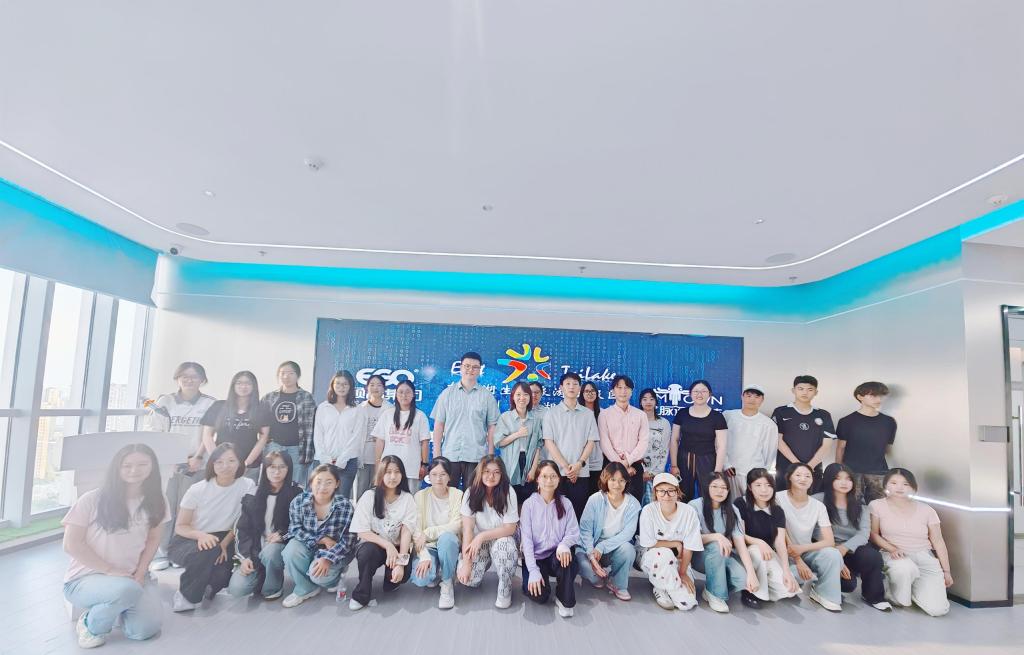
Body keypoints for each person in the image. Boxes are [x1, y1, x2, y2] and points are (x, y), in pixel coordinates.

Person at [62, 444, 167, 649]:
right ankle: (90, 625)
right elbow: (71, 544)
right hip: (84, 579)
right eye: (127, 465)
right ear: (116, 468)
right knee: (127, 590)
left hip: (131, 577)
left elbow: (154, 539)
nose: (134, 470)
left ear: (153, 466)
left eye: (142, 464)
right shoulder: (92, 499)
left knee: (144, 630)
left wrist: (141, 572)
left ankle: (118, 605)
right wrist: (110, 570)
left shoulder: (157, 500)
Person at [143, 361, 216, 572]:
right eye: (185, 376)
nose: (189, 380)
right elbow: (155, 431)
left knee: (187, 510)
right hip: (168, 465)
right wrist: (169, 459)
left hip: (196, 463)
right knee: (164, 507)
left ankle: (178, 552)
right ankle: (161, 552)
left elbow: (209, 434)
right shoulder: (164, 401)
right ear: (177, 378)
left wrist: (198, 457)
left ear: (202, 380)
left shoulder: (209, 403)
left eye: (194, 376)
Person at [169, 443, 256, 611]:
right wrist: (201, 536)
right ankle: (186, 595)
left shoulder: (247, 485)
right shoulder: (197, 489)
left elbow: (241, 521)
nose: (225, 466)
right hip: (190, 538)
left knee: (221, 577)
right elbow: (181, 526)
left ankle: (206, 585)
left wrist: (224, 544)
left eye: (231, 461)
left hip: (225, 537)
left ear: (240, 462)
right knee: (209, 551)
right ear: (212, 464)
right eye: (219, 462)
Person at [869, 468, 952, 617]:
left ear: (913, 487)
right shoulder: (877, 505)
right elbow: (873, 534)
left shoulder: (927, 510)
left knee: (938, 610)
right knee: (905, 570)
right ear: (886, 485)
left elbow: (938, 541)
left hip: (924, 557)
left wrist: (947, 571)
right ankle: (893, 592)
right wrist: (892, 548)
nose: (899, 487)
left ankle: (911, 588)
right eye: (894, 483)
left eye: (905, 484)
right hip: (894, 555)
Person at [227, 450, 302, 600]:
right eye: (272, 467)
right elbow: (242, 529)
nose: (277, 472)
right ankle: (261, 573)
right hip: (256, 550)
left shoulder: (297, 492)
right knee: (237, 589)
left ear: (289, 469)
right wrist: (245, 557)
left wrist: (282, 535)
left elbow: (302, 524)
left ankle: (273, 587)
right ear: (265, 469)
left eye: (282, 467)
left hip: (280, 548)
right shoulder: (253, 494)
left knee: (271, 552)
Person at [814, 463, 890, 611]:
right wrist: (835, 550)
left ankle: (874, 597)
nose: (844, 483)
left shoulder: (860, 506)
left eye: (848, 479)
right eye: (838, 478)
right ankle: (819, 585)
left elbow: (863, 534)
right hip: (826, 549)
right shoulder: (817, 500)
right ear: (829, 480)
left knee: (872, 556)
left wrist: (844, 548)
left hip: (849, 549)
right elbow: (815, 530)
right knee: (848, 585)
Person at [280, 464, 356, 607]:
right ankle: (306, 588)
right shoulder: (299, 501)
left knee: (319, 577)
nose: (322, 487)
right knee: (290, 551)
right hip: (310, 544)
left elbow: (349, 540)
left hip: (336, 550)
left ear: (337, 484)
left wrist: (328, 558)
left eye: (329, 482)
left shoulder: (345, 505)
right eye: (318, 482)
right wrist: (320, 539)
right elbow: (294, 529)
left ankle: (335, 577)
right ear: (311, 482)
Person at [688, 473, 760, 612]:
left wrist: (751, 573)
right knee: (717, 545)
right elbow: (690, 538)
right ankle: (716, 595)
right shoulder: (694, 506)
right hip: (699, 557)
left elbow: (740, 544)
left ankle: (710, 588)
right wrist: (717, 537)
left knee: (743, 579)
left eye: (724, 488)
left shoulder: (732, 510)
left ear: (728, 490)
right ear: (707, 487)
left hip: (723, 555)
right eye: (715, 486)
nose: (719, 491)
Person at [776, 463, 843, 611]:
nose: (803, 479)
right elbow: (780, 532)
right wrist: (798, 560)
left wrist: (802, 549)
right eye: (798, 475)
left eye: (807, 476)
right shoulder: (777, 498)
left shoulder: (818, 506)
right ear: (789, 477)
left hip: (806, 552)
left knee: (833, 554)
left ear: (812, 480)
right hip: (782, 553)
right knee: (793, 580)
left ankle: (823, 594)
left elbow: (829, 541)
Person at [456, 455, 520, 608]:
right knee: (469, 580)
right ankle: (478, 561)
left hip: (502, 538)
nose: (491, 476)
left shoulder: (509, 492)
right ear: (480, 472)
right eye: (486, 471)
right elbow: (468, 530)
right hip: (478, 543)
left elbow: (510, 528)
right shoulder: (470, 493)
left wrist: (482, 536)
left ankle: (505, 588)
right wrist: (467, 564)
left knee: (504, 549)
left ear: (502, 474)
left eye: (496, 472)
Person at [519, 460, 580, 618]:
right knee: (539, 596)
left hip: (556, 556)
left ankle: (564, 599)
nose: (549, 480)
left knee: (568, 558)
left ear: (559, 479)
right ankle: (532, 580)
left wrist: (564, 545)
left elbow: (573, 531)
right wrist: (533, 570)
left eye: (553, 476)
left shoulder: (566, 503)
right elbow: (526, 540)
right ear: (537, 479)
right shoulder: (529, 505)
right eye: (544, 476)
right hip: (536, 558)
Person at [431, 352, 500, 488]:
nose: (470, 370)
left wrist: (490, 455)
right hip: (450, 455)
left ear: (479, 370)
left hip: (476, 456)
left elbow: (492, 427)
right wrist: (437, 454)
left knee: (473, 495)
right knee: (448, 495)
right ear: (461, 368)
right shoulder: (447, 394)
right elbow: (439, 425)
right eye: (467, 366)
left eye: (475, 367)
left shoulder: (487, 396)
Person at [636, 472, 703, 611]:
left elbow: (689, 546)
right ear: (655, 493)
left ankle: (669, 584)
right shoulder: (648, 510)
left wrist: (683, 572)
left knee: (687, 602)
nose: (666, 495)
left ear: (677, 492)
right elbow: (649, 544)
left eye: (671, 491)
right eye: (661, 491)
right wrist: (675, 543)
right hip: (652, 555)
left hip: (679, 559)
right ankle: (659, 588)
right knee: (665, 554)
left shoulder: (689, 512)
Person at [733, 468, 801, 604]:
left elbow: (780, 543)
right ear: (750, 487)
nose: (764, 490)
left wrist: (786, 570)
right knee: (758, 553)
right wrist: (760, 542)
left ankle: (767, 581)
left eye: (768, 485)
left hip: (768, 553)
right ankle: (753, 592)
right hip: (744, 551)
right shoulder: (740, 503)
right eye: (758, 485)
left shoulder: (777, 510)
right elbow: (739, 535)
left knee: (789, 589)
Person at [576, 462, 640, 601]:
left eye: (621, 480)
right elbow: (585, 530)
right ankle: (596, 575)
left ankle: (617, 583)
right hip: (592, 548)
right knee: (585, 566)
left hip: (614, 547)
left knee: (628, 550)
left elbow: (628, 534)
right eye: (613, 480)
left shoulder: (633, 504)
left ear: (626, 482)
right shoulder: (595, 499)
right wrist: (592, 556)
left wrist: (602, 546)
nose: (617, 484)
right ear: (606, 480)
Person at [543, 372, 600, 518]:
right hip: (556, 473)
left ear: (580, 388)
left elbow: (591, 442)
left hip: (581, 473)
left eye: (575, 384)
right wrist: (566, 467)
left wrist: (579, 465)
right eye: (568, 384)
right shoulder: (551, 413)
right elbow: (549, 442)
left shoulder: (588, 414)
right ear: (561, 388)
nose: (571, 387)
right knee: (555, 514)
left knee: (578, 512)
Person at [197, 371, 272, 481]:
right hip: (221, 466)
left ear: (254, 386)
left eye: (248, 383)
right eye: (239, 383)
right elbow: (207, 436)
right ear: (233, 386)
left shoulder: (262, 408)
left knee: (246, 491)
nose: (243, 386)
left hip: (249, 466)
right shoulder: (219, 406)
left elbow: (263, 438)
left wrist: (246, 463)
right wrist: (218, 460)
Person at [411, 458, 464, 609]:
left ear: (449, 477)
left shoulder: (457, 494)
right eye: (434, 474)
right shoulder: (420, 496)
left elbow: (457, 525)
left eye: (443, 474)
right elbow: (416, 530)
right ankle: (435, 570)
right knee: (422, 578)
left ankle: (447, 582)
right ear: (429, 476)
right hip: (428, 546)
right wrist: (424, 556)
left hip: (448, 544)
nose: (438, 479)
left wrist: (428, 532)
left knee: (447, 539)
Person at [771, 375, 836, 493]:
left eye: (810, 389)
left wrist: (809, 466)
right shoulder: (781, 411)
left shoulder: (823, 414)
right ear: (793, 390)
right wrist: (797, 464)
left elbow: (827, 445)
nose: (805, 392)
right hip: (786, 468)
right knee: (784, 500)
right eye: (800, 389)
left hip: (813, 469)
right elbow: (778, 441)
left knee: (812, 500)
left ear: (816, 392)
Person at [836, 382, 897, 504]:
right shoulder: (846, 421)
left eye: (880, 396)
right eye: (873, 395)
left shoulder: (889, 422)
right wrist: (838, 470)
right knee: (852, 505)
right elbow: (840, 448)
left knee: (879, 507)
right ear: (860, 397)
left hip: (879, 472)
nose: (878, 399)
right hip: (852, 472)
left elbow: (888, 449)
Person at [262, 361, 316, 490]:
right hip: (273, 446)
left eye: (291, 373)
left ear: (298, 376)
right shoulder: (269, 397)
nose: (286, 376)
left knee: (295, 486)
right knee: (271, 484)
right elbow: (261, 424)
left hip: (297, 448)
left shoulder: (306, 397)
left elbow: (312, 426)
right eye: (283, 373)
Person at [670, 380, 727, 500]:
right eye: (696, 391)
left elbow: (721, 446)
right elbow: (674, 440)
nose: (699, 394)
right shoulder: (682, 414)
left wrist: (717, 471)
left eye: (703, 391)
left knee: (708, 495)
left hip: (708, 460)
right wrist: (674, 465)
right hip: (684, 459)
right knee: (682, 495)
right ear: (690, 394)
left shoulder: (717, 417)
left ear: (710, 394)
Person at [598, 375, 649, 503]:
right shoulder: (604, 414)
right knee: (610, 503)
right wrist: (621, 465)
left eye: (626, 388)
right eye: (619, 387)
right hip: (610, 465)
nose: (623, 391)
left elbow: (643, 442)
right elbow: (604, 442)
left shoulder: (640, 415)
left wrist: (628, 461)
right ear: (613, 391)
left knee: (634, 502)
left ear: (631, 391)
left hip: (635, 466)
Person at [373, 380, 431, 491]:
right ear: (396, 394)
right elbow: (380, 440)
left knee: (410, 499)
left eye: (408, 392)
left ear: (413, 394)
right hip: (389, 469)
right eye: (400, 392)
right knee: (387, 498)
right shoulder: (387, 414)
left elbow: (425, 443)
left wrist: (424, 464)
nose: (404, 395)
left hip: (411, 469)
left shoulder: (420, 416)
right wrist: (378, 463)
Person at [312, 370, 362, 498]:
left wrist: (342, 460)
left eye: (345, 384)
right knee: (320, 498)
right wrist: (326, 459)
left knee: (340, 500)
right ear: (332, 385)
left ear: (350, 386)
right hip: (323, 460)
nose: (341, 387)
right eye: (338, 383)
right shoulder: (323, 407)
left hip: (348, 462)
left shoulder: (357, 409)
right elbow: (318, 435)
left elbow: (356, 437)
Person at [722, 384, 777, 498]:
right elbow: (719, 443)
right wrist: (726, 464)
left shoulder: (768, 424)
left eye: (757, 396)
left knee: (753, 504)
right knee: (729, 505)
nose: (752, 399)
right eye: (749, 395)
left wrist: (762, 474)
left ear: (762, 400)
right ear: (742, 397)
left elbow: (770, 453)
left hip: (754, 475)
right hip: (729, 471)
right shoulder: (728, 416)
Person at [496, 381, 543, 504]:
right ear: (513, 397)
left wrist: (533, 469)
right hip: (510, 462)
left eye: (525, 394)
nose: (522, 398)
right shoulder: (505, 417)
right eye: (518, 394)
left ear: (529, 398)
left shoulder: (535, 419)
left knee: (528, 501)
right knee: (509, 500)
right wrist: (517, 434)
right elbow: (499, 443)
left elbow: (538, 446)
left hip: (528, 463)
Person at [355, 374, 393, 498]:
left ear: (384, 388)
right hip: (364, 457)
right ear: (366, 388)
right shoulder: (360, 408)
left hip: (383, 458)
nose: (375, 388)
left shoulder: (391, 409)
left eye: (379, 385)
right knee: (361, 492)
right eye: (372, 385)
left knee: (380, 493)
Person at [639, 388, 671, 505]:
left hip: (657, 473)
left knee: (654, 505)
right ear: (640, 402)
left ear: (656, 402)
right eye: (645, 399)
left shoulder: (664, 423)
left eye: (651, 399)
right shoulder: (635, 421)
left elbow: (665, 449)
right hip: (637, 471)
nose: (648, 402)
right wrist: (643, 471)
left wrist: (654, 472)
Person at [581, 382, 605, 496]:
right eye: (586, 391)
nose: (590, 393)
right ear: (582, 394)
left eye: (592, 391)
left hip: (598, 459)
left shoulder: (603, 413)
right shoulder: (578, 412)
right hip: (581, 459)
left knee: (596, 494)